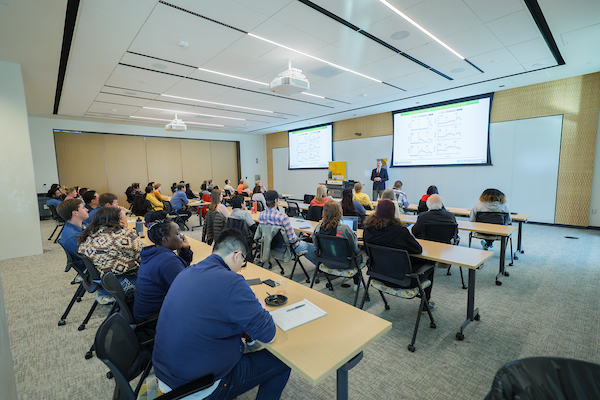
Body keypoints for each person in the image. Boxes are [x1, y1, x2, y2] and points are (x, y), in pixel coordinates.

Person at [152, 229, 290, 399]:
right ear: (237, 255)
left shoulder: (188, 271)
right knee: (283, 361)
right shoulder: (232, 281)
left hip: (165, 374)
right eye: (243, 262)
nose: (240, 268)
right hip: (198, 386)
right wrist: (261, 306)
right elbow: (269, 335)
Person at [363, 199, 435, 311]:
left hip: (377, 275)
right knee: (430, 263)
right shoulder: (400, 231)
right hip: (403, 280)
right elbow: (418, 250)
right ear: (393, 213)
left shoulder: (367, 229)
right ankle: (426, 304)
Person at [133, 211, 192, 322]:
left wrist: (184, 251)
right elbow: (187, 291)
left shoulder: (154, 252)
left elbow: (181, 276)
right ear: (165, 239)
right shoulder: (168, 260)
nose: (182, 237)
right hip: (153, 320)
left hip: (144, 314)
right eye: (177, 233)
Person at [78, 207, 144, 301]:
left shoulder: (88, 235)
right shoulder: (123, 236)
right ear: (117, 221)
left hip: (103, 286)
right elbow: (146, 257)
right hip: (122, 285)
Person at [258, 190, 318, 266]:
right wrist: (299, 238)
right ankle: (321, 266)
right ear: (276, 200)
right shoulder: (282, 216)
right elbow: (292, 240)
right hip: (285, 249)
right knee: (309, 247)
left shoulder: (261, 215)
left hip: (270, 247)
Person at [314, 201, 364, 290]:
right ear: (339, 212)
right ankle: (357, 284)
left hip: (326, 262)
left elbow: (316, 247)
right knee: (358, 256)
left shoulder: (318, 228)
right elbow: (354, 248)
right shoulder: (345, 228)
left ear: (323, 212)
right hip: (345, 263)